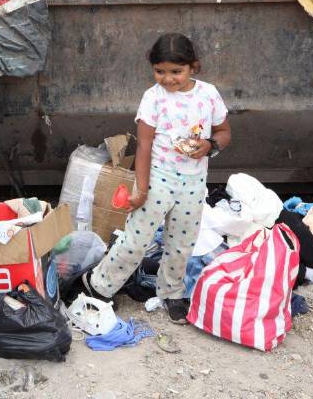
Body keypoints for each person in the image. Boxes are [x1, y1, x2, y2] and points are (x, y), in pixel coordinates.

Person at [83, 33, 231, 324]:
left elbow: (224, 132)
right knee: (136, 241)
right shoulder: (153, 97)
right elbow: (145, 145)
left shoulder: (208, 94)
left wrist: (210, 146)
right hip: (157, 178)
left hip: (192, 183)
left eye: (176, 72)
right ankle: (99, 284)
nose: (168, 79)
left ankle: (172, 293)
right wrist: (141, 189)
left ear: (194, 67)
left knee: (181, 244)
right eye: (160, 71)